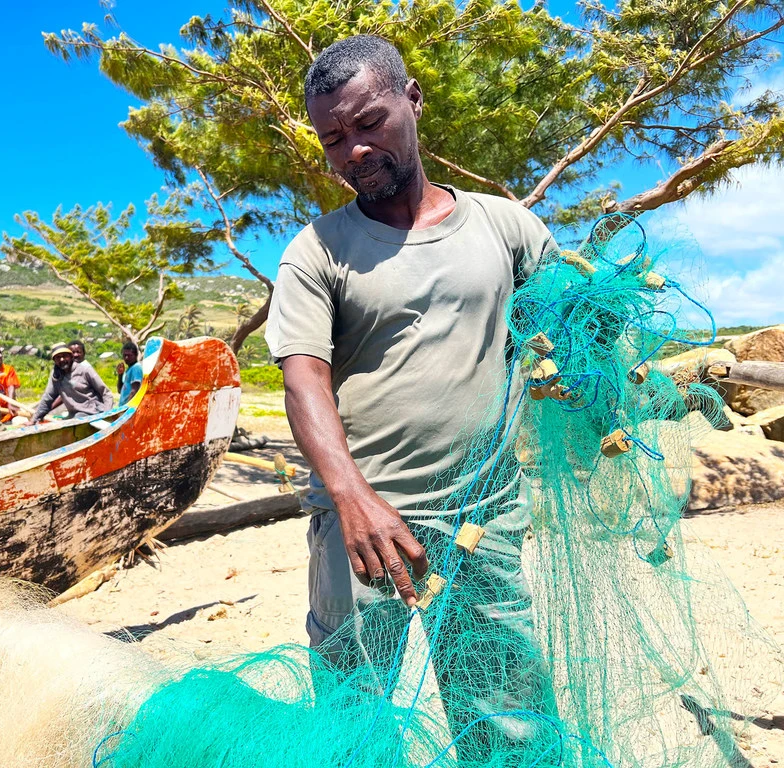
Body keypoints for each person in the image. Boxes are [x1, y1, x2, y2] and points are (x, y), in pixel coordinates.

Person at [264, 35, 559, 763]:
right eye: (333, 138)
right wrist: (353, 498)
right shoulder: (317, 250)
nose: (354, 150)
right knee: (353, 721)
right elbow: (303, 379)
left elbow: (561, 333)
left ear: (412, 98)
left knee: (507, 718)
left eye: (368, 123)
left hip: (483, 520)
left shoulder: (506, 226)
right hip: (363, 530)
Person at [30, 345, 114, 424]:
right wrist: (34, 419)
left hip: (92, 412)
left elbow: (106, 392)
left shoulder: (84, 369)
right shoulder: (56, 375)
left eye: (64, 356)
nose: (62, 359)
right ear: (54, 360)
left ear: (71, 357)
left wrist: (107, 415)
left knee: (76, 419)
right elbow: (48, 397)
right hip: (74, 414)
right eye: (58, 357)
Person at [116, 341, 143, 406]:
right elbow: (120, 390)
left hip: (129, 408)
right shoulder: (129, 369)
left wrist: (126, 408)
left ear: (135, 355)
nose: (126, 358)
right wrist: (120, 374)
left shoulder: (136, 368)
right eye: (124, 355)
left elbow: (134, 390)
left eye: (129, 355)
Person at [0, 357, 21, 422]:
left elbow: (11, 387)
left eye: (0, 353)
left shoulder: (8, 369)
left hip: (8, 412)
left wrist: (10, 403)